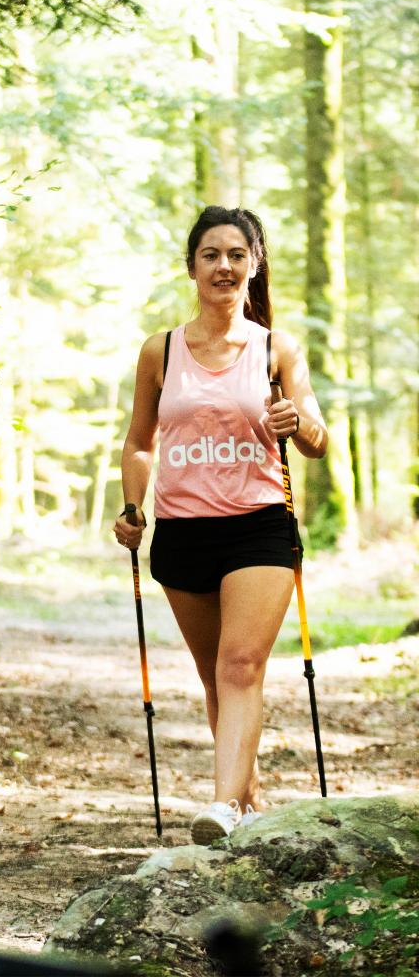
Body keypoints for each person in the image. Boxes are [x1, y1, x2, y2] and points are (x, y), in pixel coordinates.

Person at [114, 205, 327, 845]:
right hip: (182, 530)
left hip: (258, 525)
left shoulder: (275, 348)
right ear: (191, 268)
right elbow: (139, 442)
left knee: (240, 667)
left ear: (254, 265)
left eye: (237, 254)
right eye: (211, 255)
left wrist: (300, 426)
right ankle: (249, 801)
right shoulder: (161, 350)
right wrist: (133, 507)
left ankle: (222, 806)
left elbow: (316, 437)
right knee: (216, 678)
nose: (224, 266)